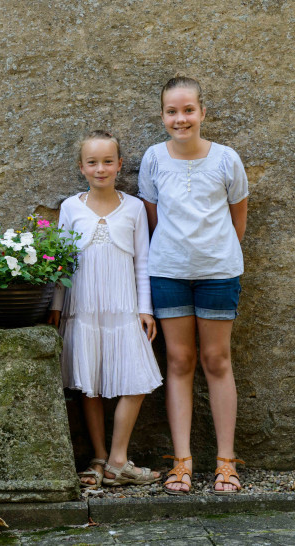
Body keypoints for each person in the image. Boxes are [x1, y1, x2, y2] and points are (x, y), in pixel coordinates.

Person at [138, 76, 248, 495]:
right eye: (172, 111)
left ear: (203, 112)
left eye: (188, 110)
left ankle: (226, 463)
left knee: (217, 360)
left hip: (219, 273)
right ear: (162, 114)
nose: (180, 118)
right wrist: (174, 253)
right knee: (180, 361)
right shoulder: (153, 158)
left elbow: (238, 218)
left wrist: (216, 254)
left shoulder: (225, 160)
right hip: (168, 273)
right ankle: (180, 463)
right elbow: (153, 218)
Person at [51, 130, 162, 490]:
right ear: (82, 167)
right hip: (83, 308)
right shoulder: (70, 207)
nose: (101, 169)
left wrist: (145, 309)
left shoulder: (133, 208)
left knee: (138, 378)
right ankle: (99, 458)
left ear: (120, 165)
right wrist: (56, 306)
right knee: (90, 383)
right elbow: (61, 263)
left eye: (108, 161)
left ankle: (118, 457)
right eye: (93, 162)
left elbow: (143, 261)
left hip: (123, 307)